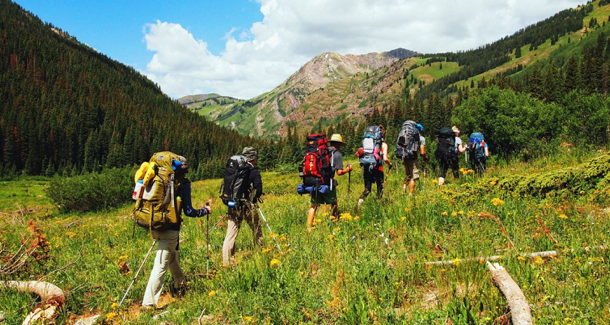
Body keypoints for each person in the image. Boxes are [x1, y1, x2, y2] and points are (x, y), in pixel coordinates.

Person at [142, 155, 211, 309]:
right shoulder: (183, 184)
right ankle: (148, 303)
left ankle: (180, 284)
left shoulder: (158, 178)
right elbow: (188, 211)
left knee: (172, 255)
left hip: (153, 224)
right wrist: (204, 211)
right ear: (184, 169)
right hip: (170, 228)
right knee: (160, 265)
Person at [222, 147, 264, 267]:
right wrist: (254, 200)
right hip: (246, 205)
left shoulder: (236, 169)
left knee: (231, 233)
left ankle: (226, 262)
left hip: (232, 204)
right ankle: (259, 254)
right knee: (256, 229)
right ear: (254, 158)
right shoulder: (253, 170)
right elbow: (259, 189)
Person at [306, 134, 353, 231]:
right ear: (339, 144)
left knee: (314, 205)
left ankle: (309, 228)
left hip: (316, 181)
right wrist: (348, 169)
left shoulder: (322, 151)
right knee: (334, 202)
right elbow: (339, 172)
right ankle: (334, 222)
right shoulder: (337, 154)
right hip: (327, 182)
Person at [357, 125, 392, 206]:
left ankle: (359, 204)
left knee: (367, 189)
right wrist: (390, 164)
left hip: (367, 167)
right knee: (380, 188)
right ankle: (378, 206)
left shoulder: (368, 142)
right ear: (382, 135)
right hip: (378, 168)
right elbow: (386, 159)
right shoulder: (383, 145)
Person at [403, 123, 428, 195]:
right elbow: (422, 152)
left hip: (405, 157)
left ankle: (404, 188)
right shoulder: (421, 138)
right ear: (420, 131)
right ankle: (410, 195)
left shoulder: (407, 136)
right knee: (414, 177)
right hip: (413, 158)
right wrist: (425, 157)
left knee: (408, 175)